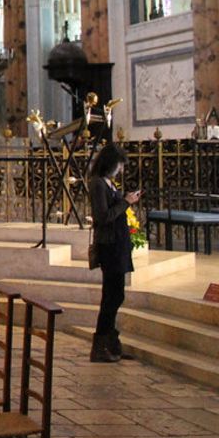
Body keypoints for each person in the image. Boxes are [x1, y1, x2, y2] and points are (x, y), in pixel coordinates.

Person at [88, 142, 141, 363]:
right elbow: (103, 217)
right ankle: (100, 345)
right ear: (111, 163)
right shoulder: (98, 184)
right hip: (109, 246)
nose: (121, 169)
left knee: (116, 294)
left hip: (118, 244)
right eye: (120, 164)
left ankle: (111, 343)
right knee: (111, 295)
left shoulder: (108, 183)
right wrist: (125, 202)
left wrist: (126, 200)